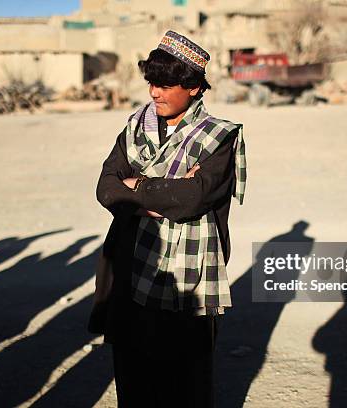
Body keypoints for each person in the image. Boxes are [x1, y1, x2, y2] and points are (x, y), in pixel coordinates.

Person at [95, 30, 247, 408]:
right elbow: (106, 188)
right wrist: (162, 189)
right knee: (133, 375)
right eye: (151, 82)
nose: (154, 93)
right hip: (130, 266)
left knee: (186, 379)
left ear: (193, 87)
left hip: (188, 277)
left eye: (165, 84)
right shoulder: (134, 129)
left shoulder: (218, 138)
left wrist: (138, 187)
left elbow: (192, 199)